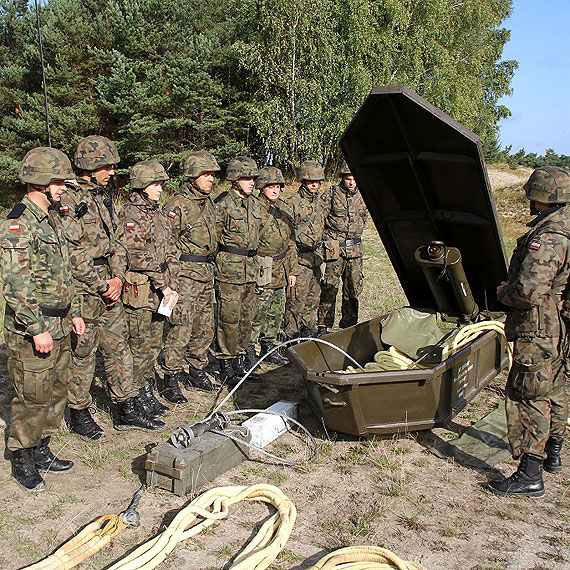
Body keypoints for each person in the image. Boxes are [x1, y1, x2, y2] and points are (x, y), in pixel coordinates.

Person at [60, 135, 162, 439]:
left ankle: (124, 407)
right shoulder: (69, 199)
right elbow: (71, 252)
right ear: (91, 166)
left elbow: (118, 243)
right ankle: (78, 411)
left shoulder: (103, 198)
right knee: (84, 353)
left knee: (119, 347)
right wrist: (100, 283)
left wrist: (117, 278)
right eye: (107, 166)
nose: (113, 172)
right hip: (83, 286)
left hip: (110, 284)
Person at [1, 147, 85, 491]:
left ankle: (42, 446)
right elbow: (16, 284)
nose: (63, 186)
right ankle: (22, 455)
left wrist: (75, 311)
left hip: (62, 321)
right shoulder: (18, 223)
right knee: (32, 394)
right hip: (35, 326)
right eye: (58, 180)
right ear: (39, 181)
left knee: (57, 389)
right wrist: (36, 329)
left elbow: (65, 271)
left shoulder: (51, 217)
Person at [489, 166, 570, 497]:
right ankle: (554, 453)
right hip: (560, 327)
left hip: (537, 328)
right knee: (557, 387)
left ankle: (529, 474)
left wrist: (503, 293)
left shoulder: (548, 238)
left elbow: (528, 292)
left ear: (539, 197)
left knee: (528, 395)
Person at [116, 160, 179, 420]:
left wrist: (172, 281)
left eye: (162, 183)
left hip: (160, 289)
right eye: (156, 183)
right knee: (139, 347)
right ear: (142, 186)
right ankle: (132, 399)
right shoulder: (131, 214)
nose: (161, 188)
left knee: (153, 345)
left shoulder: (158, 212)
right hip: (142, 290)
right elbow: (136, 255)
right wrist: (163, 284)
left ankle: (145, 392)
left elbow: (170, 247)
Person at [161, 151, 220, 400]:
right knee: (180, 328)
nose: (210, 179)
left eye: (212, 175)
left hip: (206, 273)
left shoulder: (209, 203)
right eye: (205, 174)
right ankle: (170, 378)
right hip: (184, 276)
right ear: (192, 175)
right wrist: (171, 281)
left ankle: (197, 370)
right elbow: (165, 243)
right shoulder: (177, 204)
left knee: (205, 327)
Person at [214, 156, 263, 386]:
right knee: (228, 318)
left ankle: (241, 362)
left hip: (250, 269)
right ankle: (225, 364)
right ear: (234, 179)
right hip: (229, 271)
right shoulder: (222, 204)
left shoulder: (255, 203)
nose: (251, 182)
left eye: (253, 178)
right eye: (246, 178)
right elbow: (213, 239)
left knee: (246, 317)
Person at [249, 166, 299, 366]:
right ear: (261, 187)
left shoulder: (284, 209)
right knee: (258, 309)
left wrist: (292, 270)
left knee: (276, 309)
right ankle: (250, 349)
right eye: (270, 186)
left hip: (282, 265)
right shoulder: (254, 208)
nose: (275, 189)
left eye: (278, 185)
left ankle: (268, 346)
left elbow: (291, 243)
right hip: (262, 264)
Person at [317, 160, 367, 335]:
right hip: (334, 249)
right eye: (348, 178)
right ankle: (323, 325)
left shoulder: (364, 195)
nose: (352, 182)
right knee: (330, 287)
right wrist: (325, 240)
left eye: (354, 178)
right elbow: (318, 218)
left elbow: (366, 218)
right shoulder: (331, 194)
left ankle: (349, 326)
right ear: (342, 178)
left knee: (353, 289)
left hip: (355, 251)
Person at [284, 160, 329, 339]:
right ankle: (291, 340)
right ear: (303, 181)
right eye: (311, 181)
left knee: (312, 301)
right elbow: (287, 237)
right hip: (299, 260)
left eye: (317, 181)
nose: (314, 184)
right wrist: (291, 267)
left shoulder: (321, 203)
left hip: (315, 259)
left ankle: (308, 334)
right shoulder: (292, 203)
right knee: (296, 303)